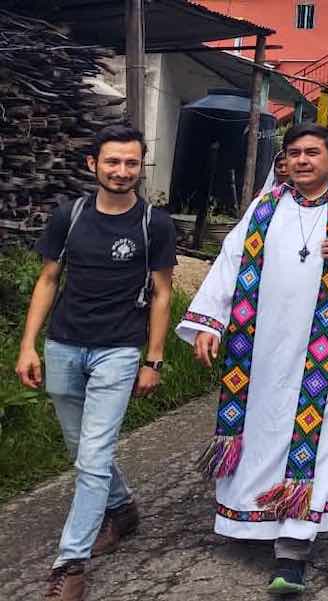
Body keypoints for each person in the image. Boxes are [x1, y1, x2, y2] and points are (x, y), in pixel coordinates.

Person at [177, 123, 328, 595]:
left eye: (312, 152)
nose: (302, 160)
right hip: (259, 349)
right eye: (294, 152)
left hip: (325, 351)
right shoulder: (265, 207)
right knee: (261, 432)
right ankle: (252, 518)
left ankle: (293, 547)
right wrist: (208, 323)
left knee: (318, 438)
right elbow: (229, 262)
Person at [16, 125, 177, 601]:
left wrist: (153, 360)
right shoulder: (69, 217)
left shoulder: (154, 224)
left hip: (119, 350)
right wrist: (28, 345)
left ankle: (71, 564)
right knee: (82, 449)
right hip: (63, 345)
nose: (122, 171)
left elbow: (162, 293)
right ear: (93, 164)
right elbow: (48, 280)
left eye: (131, 163)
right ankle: (122, 508)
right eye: (112, 161)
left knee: (92, 455)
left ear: (141, 167)